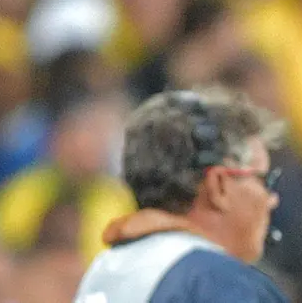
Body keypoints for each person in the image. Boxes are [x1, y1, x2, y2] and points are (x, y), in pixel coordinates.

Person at [73, 87, 289, 303]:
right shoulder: (223, 284)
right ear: (219, 185)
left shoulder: (99, 274)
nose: (271, 199)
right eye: (263, 180)